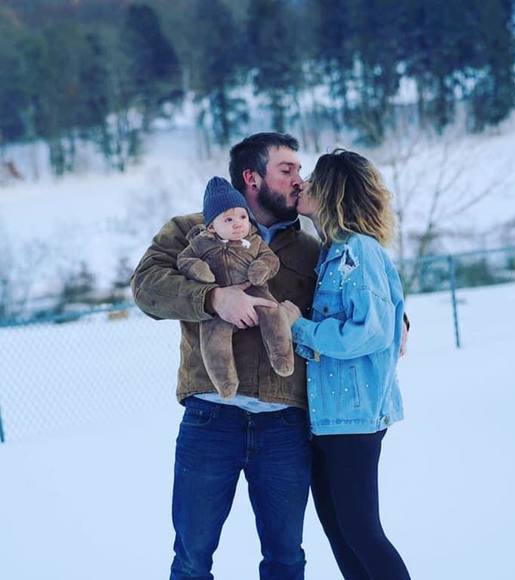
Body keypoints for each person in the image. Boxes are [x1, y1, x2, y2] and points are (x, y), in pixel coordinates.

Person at [131, 133, 320, 580]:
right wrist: (213, 298)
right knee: (192, 560)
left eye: (299, 169)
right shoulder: (189, 231)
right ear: (252, 178)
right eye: (287, 170)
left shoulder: (310, 249)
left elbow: (355, 291)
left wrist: (398, 316)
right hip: (211, 419)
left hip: (284, 424)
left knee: (286, 559)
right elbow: (146, 288)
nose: (299, 179)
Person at [280, 149, 412, 580]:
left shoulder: (359, 252)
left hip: (355, 416)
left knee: (361, 532)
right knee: (341, 534)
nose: (303, 185)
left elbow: (369, 332)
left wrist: (300, 329)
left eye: (313, 180)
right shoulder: (333, 252)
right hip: (329, 418)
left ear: (332, 192)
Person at [176, 176, 295, 399]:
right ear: (212, 226)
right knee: (213, 339)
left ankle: (281, 356)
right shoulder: (200, 243)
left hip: (256, 292)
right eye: (228, 220)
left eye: (242, 216)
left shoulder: (255, 241)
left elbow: (271, 260)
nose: (238, 223)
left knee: (274, 314)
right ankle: (225, 381)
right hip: (219, 303)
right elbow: (184, 260)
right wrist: (200, 270)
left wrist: (261, 267)